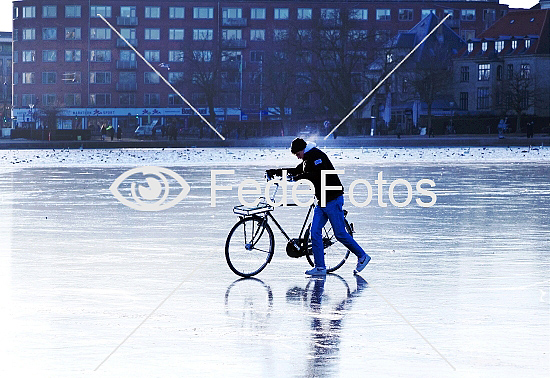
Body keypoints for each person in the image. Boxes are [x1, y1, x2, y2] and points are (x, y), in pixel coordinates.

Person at [267, 138, 371, 276]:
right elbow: (295, 170)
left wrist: (297, 178)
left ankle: (362, 256)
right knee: (315, 232)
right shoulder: (306, 159)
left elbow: (315, 175)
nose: (297, 156)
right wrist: (276, 172)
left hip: (333, 199)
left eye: (297, 153)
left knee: (340, 234)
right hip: (321, 201)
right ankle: (320, 267)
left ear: (303, 149)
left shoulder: (317, 156)